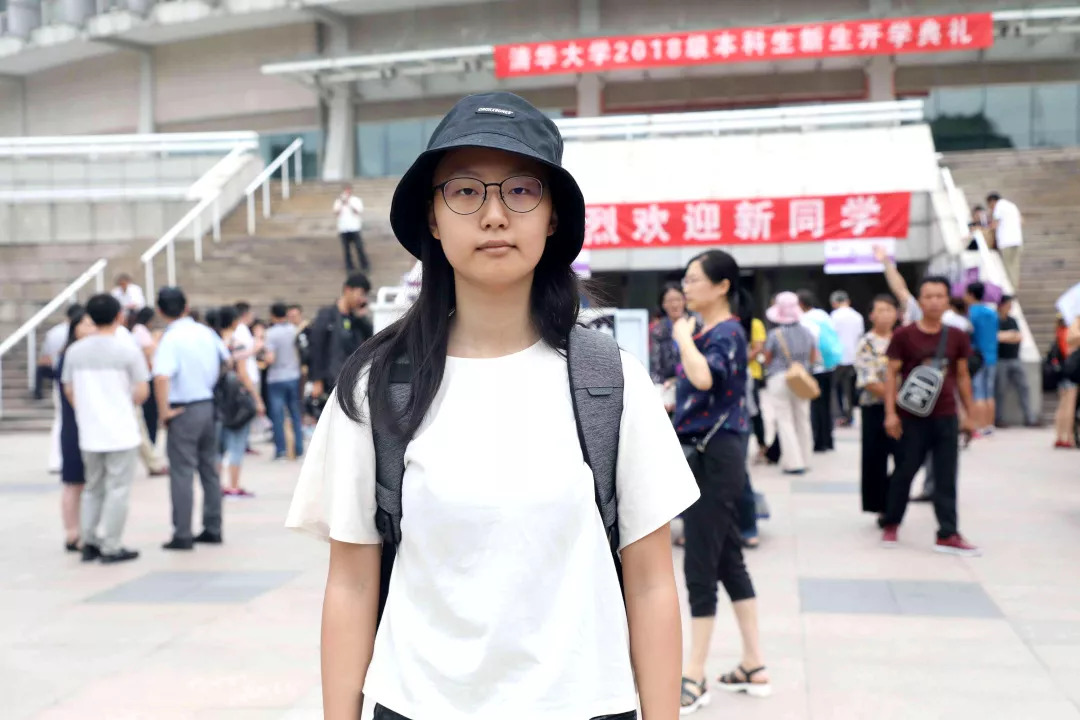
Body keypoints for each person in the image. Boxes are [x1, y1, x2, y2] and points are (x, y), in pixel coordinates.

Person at [286, 91, 698, 720]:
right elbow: (351, 581)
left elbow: (650, 583)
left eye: (522, 190)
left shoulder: (611, 382)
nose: (495, 215)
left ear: (553, 216)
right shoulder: (375, 385)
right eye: (465, 191)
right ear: (432, 216)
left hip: (585, 706)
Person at [673, 250, 770, 711]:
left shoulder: (726, 331)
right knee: (728, 557)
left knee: (700, 563)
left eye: (694, 279)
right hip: (710, 450)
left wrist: (681, 338)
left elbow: (705, 379)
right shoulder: (711, 331)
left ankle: (694, 674)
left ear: (722, 286)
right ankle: (754, 664)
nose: (686, 287)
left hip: (713, 454)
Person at [881, 277, 980, 556]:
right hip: (911, 416)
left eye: (940, 296)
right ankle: (892, 522)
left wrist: (969, 414)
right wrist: (890, 413)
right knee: (905, 471)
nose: (934, 302)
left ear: (948, 301)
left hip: (946, 414)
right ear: (919, 300)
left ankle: (947, 532)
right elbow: (891, 375)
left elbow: (963, 376)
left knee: (946, 475)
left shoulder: (957, 336)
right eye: (928, 296)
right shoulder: (904, 335)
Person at [62, 293, 149, 564]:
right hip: (121, 430)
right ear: (119, 316)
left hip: (90, 431)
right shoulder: (128, 351)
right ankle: (112, 544)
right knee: (117, 490)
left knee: (93, 488)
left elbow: (69, 389)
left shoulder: (75, 352)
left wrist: (87, 410)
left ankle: (89, 541)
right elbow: (141, 391)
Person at [153, 287, 231, 550]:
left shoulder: (171, 339)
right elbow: (227, 361)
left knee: (182, 472)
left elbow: (161, 376)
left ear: (160, 311)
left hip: (183, 409)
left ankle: (183, 533)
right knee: (210, 470)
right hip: (208, 405)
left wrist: (163, 411)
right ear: (186, 306)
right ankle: (213, 527)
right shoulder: (206, 332)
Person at [763, 292, 818, 474]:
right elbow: (813, 356)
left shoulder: (775, 334)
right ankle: (806, 459)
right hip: (801, 378)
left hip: (779, 378)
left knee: (784, 420)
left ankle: (794, 463)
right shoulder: (807, 332)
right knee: (803, 419)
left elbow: (768, 359)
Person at [855, 295, 899, 521]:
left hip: (903, 409)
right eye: (880, 310)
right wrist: (895, 398)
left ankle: (893, 496)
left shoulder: (901, 339)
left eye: (890, 310)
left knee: (906, 457)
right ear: (871, 315)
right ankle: (882, 506)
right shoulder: (867, 343)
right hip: (875, 407)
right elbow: (868, 380)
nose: (885, 315)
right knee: (875, 458)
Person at [57, 309, 95, 552]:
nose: (91, 329)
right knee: (73, 482)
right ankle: (72, 532)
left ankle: (85, 530)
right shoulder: (69, 357)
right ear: (75, 328)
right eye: (86, 324)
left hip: (91, 425)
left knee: (88, 483)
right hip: (74, 425)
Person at [214, 306, 263, 497]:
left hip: (217, 399)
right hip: (236, 399)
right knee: (237, 443)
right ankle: (233, 486)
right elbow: (242, 373)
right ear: (234, 321)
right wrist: (257, 399)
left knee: (218, 447)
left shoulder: (214, 342)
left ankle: (216, 486)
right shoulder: (237, 344)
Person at [308, 273, 373, 400]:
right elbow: (316, 347)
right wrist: (317, 379)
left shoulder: (355, 320)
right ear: (348, 290)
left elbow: (370, 338)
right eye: (360, 294)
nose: (362, 299)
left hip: (350, 380)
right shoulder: (327, 315)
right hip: (330, 380)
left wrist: (362, 318)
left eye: (364, 295)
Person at [43, 304, 84, 472]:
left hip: (59, 378)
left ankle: (55, 460)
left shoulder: (53, 333)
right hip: (71, 381)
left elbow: (45, 358)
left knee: (60, 420)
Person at [798, 290, 837, 452]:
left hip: (814, 367)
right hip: (829, 365)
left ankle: (818, 442)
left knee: (815, 406)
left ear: (801, 304)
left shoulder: (804, 320)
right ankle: (828, 440)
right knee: (826, 405)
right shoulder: (823, 315)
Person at [264, 302, 304, 460]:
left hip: (276, 378)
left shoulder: (270, 333)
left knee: (278, 415)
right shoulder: (293, 330)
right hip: (293, 375)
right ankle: (298, 448)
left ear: (272, 315)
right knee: (295, 412)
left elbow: (270, 358)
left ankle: (281, 449)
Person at [995, 295, 1037, 428]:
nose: (1010, 307)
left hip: (1015, 359)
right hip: (1001, 360)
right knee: (1000, 390)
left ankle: (1030, 418)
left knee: (1024, 387)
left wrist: (1006, 336)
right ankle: (998, 418)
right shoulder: (995, 320)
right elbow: (996, 337)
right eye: (1008, 304)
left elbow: (1019, 337)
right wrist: (1009, 336)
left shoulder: (1012, 320)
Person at [649, 282, 690, 412]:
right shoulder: (658, 330)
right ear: (663, 304)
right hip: (668, 388)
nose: (674, 304)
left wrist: (677, 381)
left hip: (692, 384)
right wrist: (662, 386)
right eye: (670, 301)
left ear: (684, 300)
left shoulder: (696, 324)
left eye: (678, 299)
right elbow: (655, 367)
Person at [965, 282, 999, 436]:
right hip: (992, 355)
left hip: (976, 357)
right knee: (989, 393)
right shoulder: (992, 312)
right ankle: (989, 425)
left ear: (971, 294)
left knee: (978, 392)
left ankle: (979, 425)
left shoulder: (971, 313)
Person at [830, 289, 865, 426]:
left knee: (835, 388)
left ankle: (838, 416)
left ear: (834, 303)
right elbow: (860, 337)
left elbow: (831, 337)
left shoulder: (834, 316)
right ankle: (849, 416)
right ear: (848, 301)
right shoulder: (857, 316)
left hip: (838, 358)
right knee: (849, 389)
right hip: (853, 357)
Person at [987, 192, 1023, 291]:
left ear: (992, 201)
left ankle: (1010, 290)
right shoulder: (1012, 206)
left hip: (1006, 242)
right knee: (1015, 266)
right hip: (1017, 240)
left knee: (1007, 267)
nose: (990, 208)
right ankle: (1014, 287)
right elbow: (1021, 221)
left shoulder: (999, 206)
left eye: (990, 205)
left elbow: (994, 225)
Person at [1053, 315, 1078, 448]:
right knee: (1069, 405)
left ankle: (1059, 436)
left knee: (1062, 404)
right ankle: (1068, 436)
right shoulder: (1069, 332)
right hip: (1070, 369)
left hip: (1062, 370)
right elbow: (1068, 350)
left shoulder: (1059, 331)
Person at [334, 185, 369, 272]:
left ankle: (365, 266)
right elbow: (336, 213)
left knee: (359, 248)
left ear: (351, 191)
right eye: (345, 190)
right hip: (343, 229)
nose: (347, 192)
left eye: (348, 190)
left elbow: (357, 211)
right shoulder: (338, 201)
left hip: (354, 228)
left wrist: (349, 203)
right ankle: (349, 267)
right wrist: (342, 204)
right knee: (346, 250)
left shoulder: (356, 200)